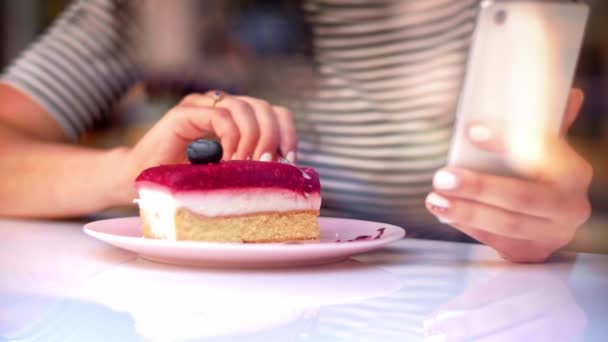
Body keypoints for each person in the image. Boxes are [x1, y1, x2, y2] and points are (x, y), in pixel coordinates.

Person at [0, 0, 592, 263]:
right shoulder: (140, 9)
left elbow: (532, 187)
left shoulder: (492, 15)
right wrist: (129, 173)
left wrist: (528, 221)